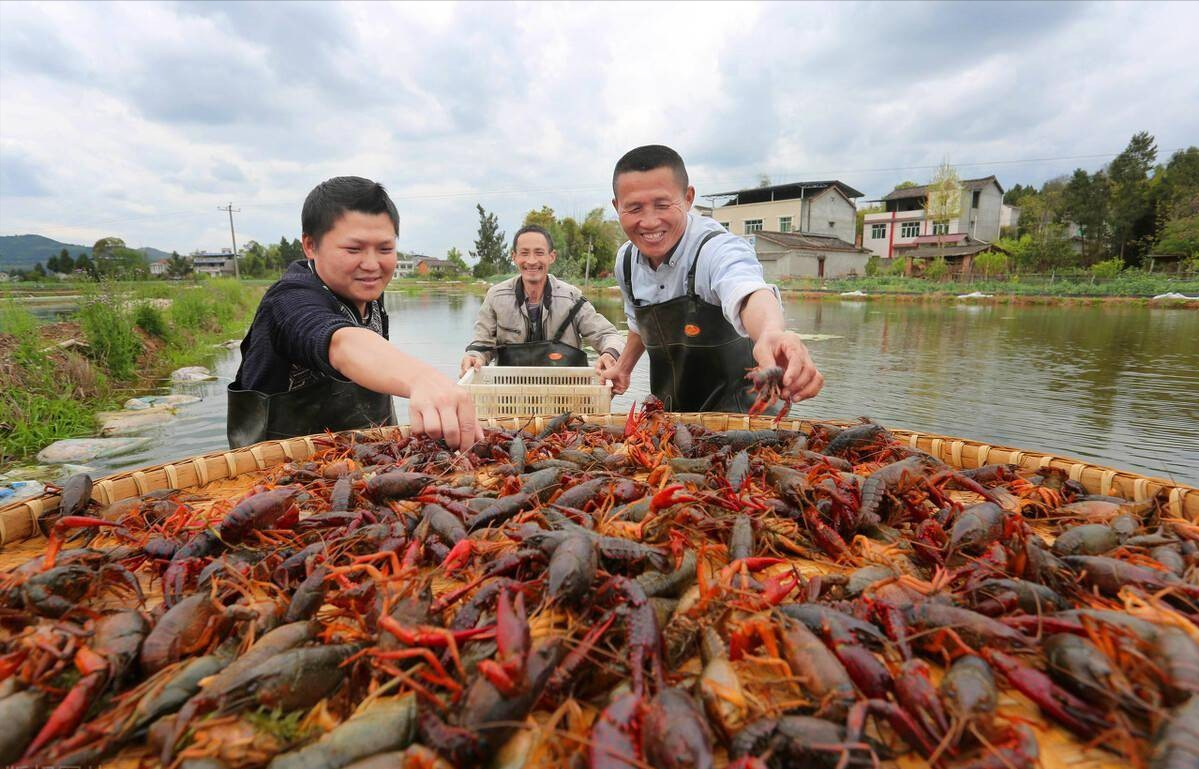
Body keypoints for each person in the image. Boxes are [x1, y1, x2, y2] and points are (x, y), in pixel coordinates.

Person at [228, 176, 482, 450]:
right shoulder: (288, 300)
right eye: (353, 249)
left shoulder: (369, 294)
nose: (372, 265)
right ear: (310, 245)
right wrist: (421, 379)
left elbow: (374, 358)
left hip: (371, 462)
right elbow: (339, 341)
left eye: (385, 249)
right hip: (278, 474)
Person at [605, 145, 824, 412]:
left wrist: (771, 333)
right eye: (634, 208)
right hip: (673, 420)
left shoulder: (715, 249)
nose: (650, 222)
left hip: (744, 419)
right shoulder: (626, 261)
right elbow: (639, 323)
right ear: (617, 207)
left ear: (688, 198)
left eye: (662, 205)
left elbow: (747, 291)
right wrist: (623, 368)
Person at [459, 224, 625, 378]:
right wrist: (474, 357)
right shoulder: (495, 296)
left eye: (539, 253)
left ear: (551, 257)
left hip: (567, 393)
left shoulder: (572, 298)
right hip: (510, 393)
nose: (531, 261)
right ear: (514, 257)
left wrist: (609, 353)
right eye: (524, 253)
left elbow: (608, 335)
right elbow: (481, 343)